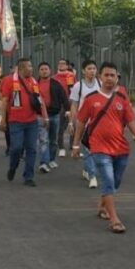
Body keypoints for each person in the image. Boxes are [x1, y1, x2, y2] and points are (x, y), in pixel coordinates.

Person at [72, 62, 135, 234]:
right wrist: (76, 145)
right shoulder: (91, 99)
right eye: (106, 75)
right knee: (108, 180)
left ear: (117, 77)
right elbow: (81, 123)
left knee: (115, 182)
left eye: (113, 75)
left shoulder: (122, 98)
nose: (110, 79)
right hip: (99, 148)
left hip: (120, 148)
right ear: (100, 76)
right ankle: (114, 219)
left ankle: (102, 204)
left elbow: (131, 121)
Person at [0, 58, 48, 187]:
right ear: (21, 69)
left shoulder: (33, 82)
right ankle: (13, 167)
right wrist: (2, 120)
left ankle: (29, 177)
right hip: (15, 121)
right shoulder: (9, 81)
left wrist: (45, 117)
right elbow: (4, 101)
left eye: (32, 66)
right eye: (29, 66)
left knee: (32, 149)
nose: (31, 69)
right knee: (16, 148)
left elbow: (39, 101)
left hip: (32, 121)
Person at [69, 60, 101, 189]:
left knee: (97, 150)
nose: (92, 71)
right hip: (84, 123)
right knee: (88, 149)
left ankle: (87, 170)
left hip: (98, 123)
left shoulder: (101, 84)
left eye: (94, 68)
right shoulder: (78, 86)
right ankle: (92, 176)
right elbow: (74, 105)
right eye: (89, 68)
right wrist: (72, 122)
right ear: (83, 71)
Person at [36, 62, 69, 174]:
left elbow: (64, 97)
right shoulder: (34, 85)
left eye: (46, 69)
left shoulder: (56, 84)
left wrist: (67, 110)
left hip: (55, 115)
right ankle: (44, 162)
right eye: (42, 69)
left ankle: (51, 159)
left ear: (50, 71)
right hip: (40, 116)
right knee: (43, 140)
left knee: (53, 140)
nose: (44, 71)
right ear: (38, 71)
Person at [53, 59, 76, 157]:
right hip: (60, 105)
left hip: (71, 104)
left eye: (63, 64)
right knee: (61, 127)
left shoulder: (71, 76)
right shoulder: (54, 77)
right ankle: (61, 147)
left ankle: (72, 146)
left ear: (67, 66)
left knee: (73, 125)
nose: (61, 65)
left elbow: (74, 89)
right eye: (59, 63)